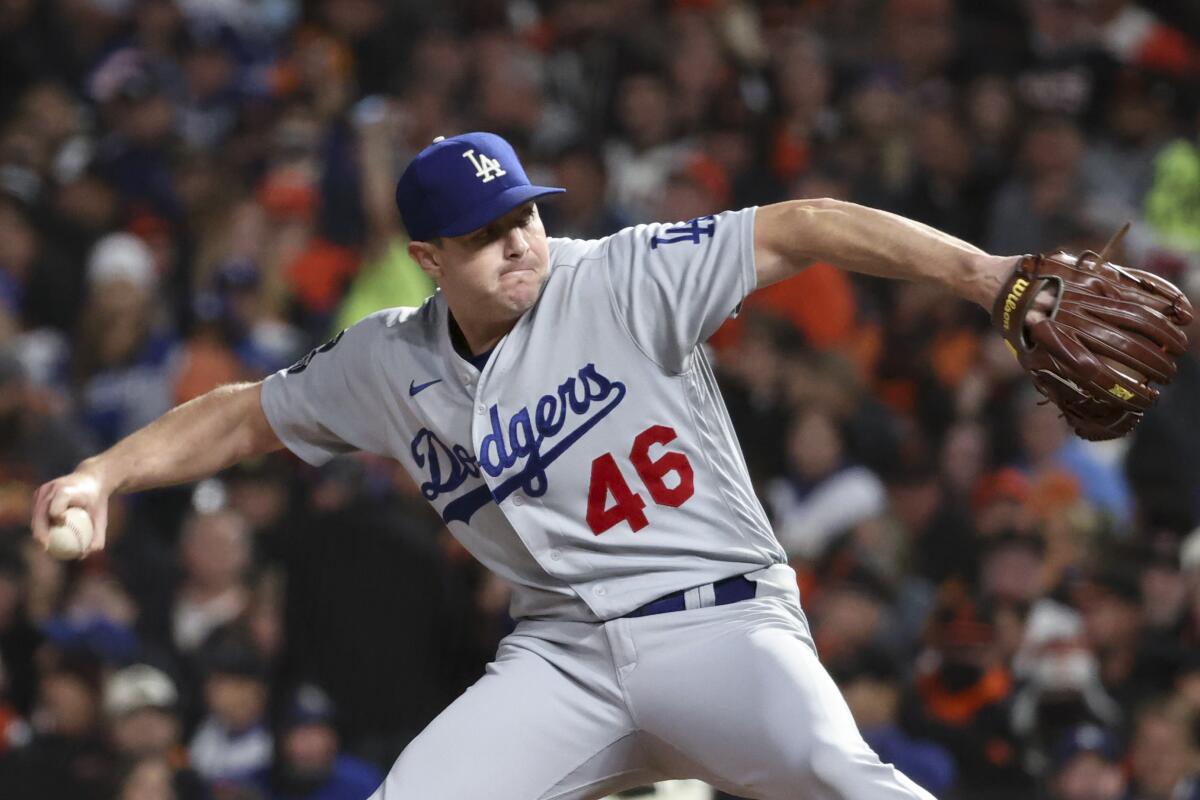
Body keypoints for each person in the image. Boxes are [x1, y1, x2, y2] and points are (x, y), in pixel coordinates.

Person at [32, 130, 1050, 799]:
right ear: (429, 259)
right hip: (565, 654)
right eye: (484, 235)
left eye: (523, 214)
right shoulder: (391, 356)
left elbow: (808, 223)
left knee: (844, 775)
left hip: (718, 619)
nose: (520, 242)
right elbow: (243, 415)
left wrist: (986, 273)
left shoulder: (621, 272)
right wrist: (105, 471)